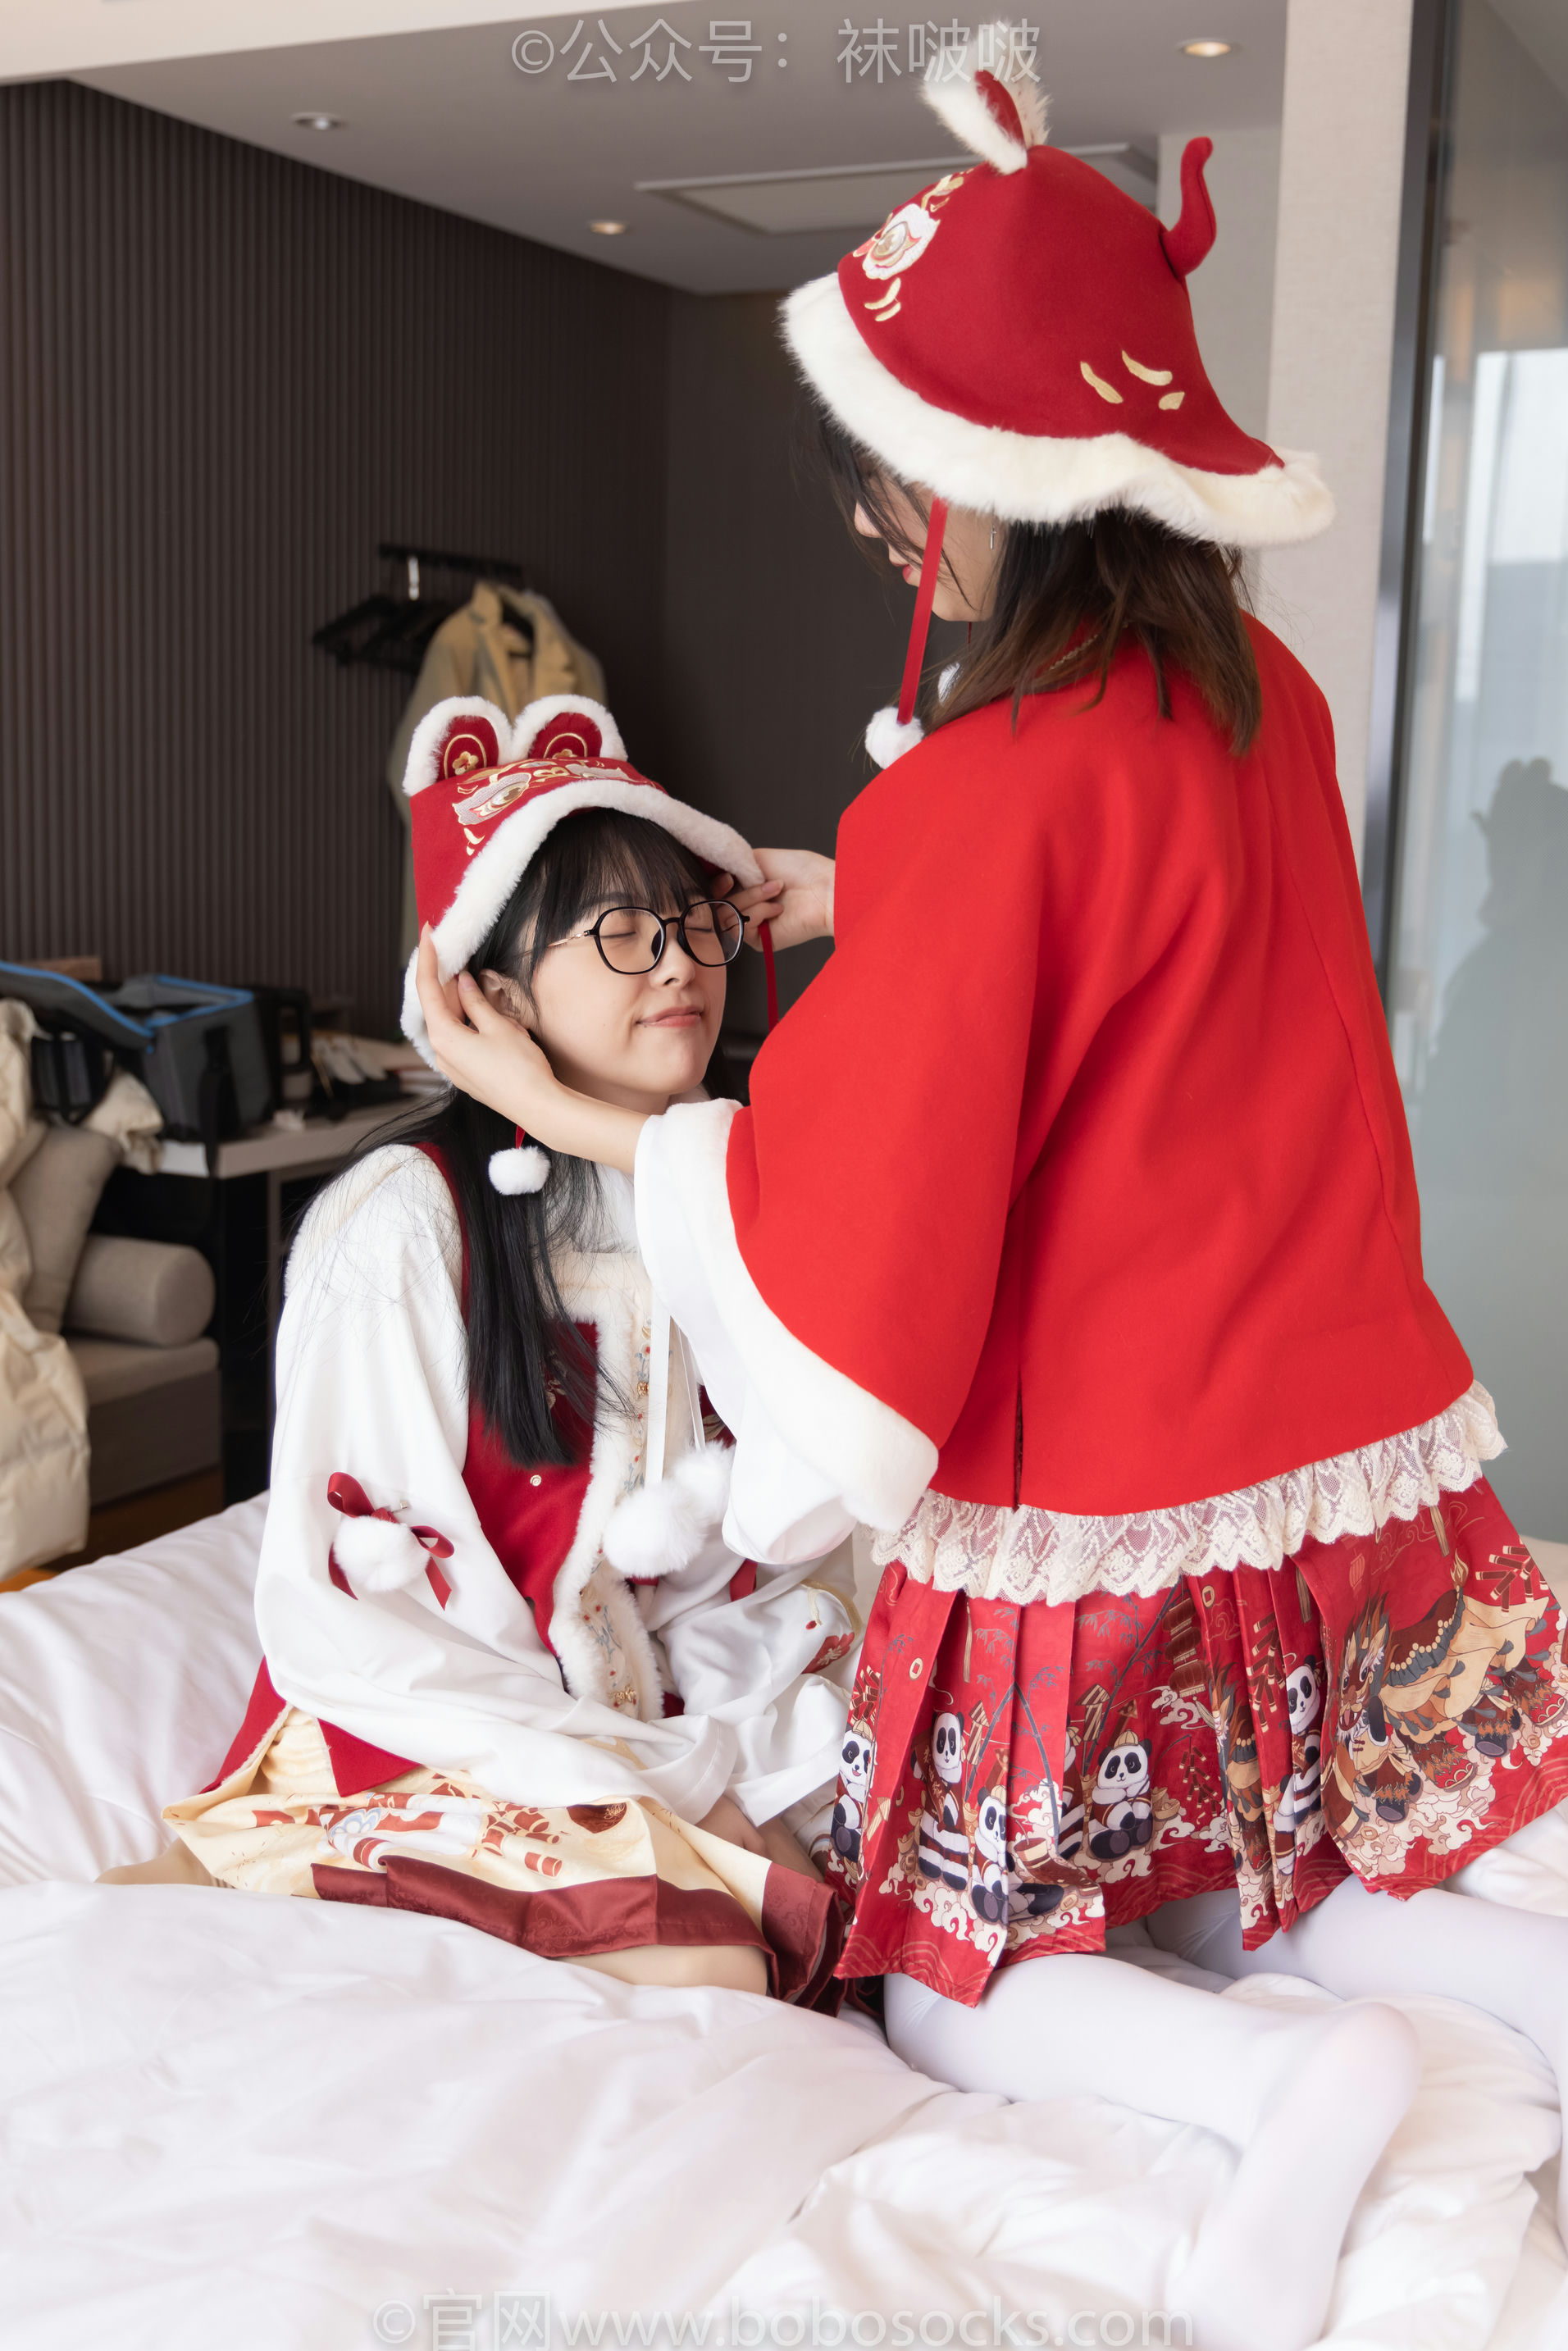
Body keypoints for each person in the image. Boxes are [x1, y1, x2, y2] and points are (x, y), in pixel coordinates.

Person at [412, 40, 1568, 2351]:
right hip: (1329, 1451)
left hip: (1107, 1485)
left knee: (941, 1967)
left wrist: (593, 1113)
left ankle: (1290, 2087)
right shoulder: (1262, 704)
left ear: (990, 483)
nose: (885, 533)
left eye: (892, 491)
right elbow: (1155, 967)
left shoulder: (979, 789)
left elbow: (864, 1250)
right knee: (1265, 1866)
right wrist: (879, 896)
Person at [111, 690, 855, 2009]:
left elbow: (743, 1564)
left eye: (692, 923)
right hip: (434, 1722)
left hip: (647, 1722)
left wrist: (720, 1768)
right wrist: (661, 1791)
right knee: (712, 1961)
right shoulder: (402, 1223)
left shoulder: (716, 1184)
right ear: (496, 995)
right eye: (621, 933)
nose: (679, 965)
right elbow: (373, 1618)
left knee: (868, 1907)